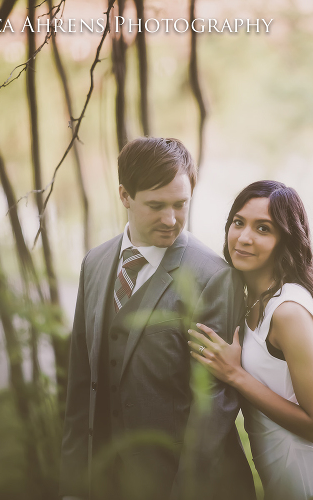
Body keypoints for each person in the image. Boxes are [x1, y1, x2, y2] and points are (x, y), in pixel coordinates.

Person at [59, 137, 256, 500]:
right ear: (124, 196)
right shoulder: (95, 263)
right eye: (155, 205)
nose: (171, 220)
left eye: (180, 205)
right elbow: (81, 387)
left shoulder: (214, 277)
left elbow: (212, 410)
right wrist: (74, 485)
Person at [188, 180, 313, 500]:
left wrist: (235, 375)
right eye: (238, 222)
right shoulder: (251, 301)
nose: (244, 237)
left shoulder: (288, 311)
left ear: (285, 239)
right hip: (284, 482)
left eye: (263, 228)